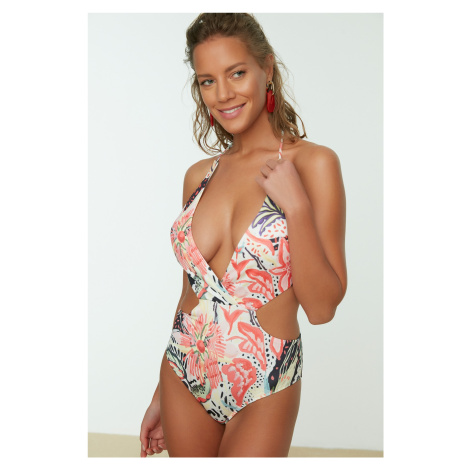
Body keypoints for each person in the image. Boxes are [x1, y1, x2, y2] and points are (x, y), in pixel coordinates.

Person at [140, 13, 347, 458]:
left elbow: (322, 309)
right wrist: (160, 389)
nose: (223, 94)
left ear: (266, 68)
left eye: (236, 73)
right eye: (207, 81)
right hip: (184, 372)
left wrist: (296, 206)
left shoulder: (314, 164)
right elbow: (190, 294)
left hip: (266, 380)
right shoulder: (198, 175)